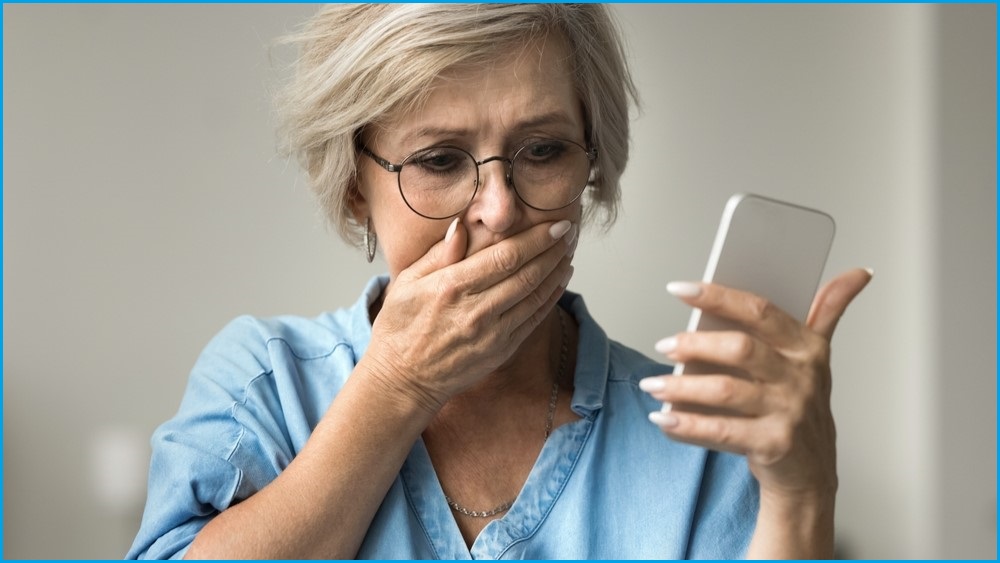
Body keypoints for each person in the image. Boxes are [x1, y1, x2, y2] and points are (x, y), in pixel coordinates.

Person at [126, 4, 871, 559]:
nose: (500, 208)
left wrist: (802, 493)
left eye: (543, 149)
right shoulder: (263, 384)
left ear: (593, 167)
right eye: (441, 160)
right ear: (357, 185)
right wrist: (396, 384)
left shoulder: (701, 444)